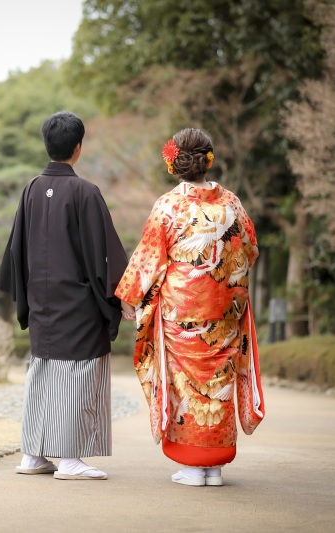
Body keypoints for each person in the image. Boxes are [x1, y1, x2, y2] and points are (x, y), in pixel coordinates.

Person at [115, 128, 265, 487]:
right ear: (208, 160)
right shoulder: (232, 203)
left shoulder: (169, 206)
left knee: (188, 385)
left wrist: (128, 298)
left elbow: (150, 259)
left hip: (182, 315)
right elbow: (251, 249)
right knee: (221, 381)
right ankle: (214, 468)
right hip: (226, 313)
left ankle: (194, 466)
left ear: (174, 164)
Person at [0, 111, 131, 480]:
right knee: (78, 375)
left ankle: (34, 455)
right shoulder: (85, 192)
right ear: (78, 147)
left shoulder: (31, 189)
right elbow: (104, 254)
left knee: (42, 372)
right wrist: (119, 297)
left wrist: (26, 294)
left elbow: (15, 251)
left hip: (41, 300)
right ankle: (69, 458)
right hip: (79, 303)